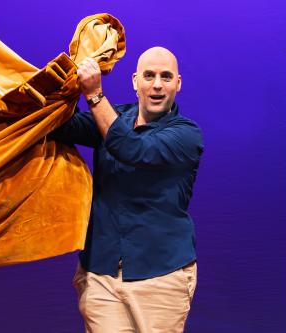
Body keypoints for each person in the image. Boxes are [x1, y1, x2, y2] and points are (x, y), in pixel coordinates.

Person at [51, 47, 204, 333]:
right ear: (135, 81)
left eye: (166, 77)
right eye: (149, 76)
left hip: (161, 277)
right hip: (101, 275)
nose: (157, 84)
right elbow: (59, 126)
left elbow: (133, 149)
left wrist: (95, 94)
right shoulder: (112, 116)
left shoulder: (186, 134)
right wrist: (66, 82)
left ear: (178, 84)